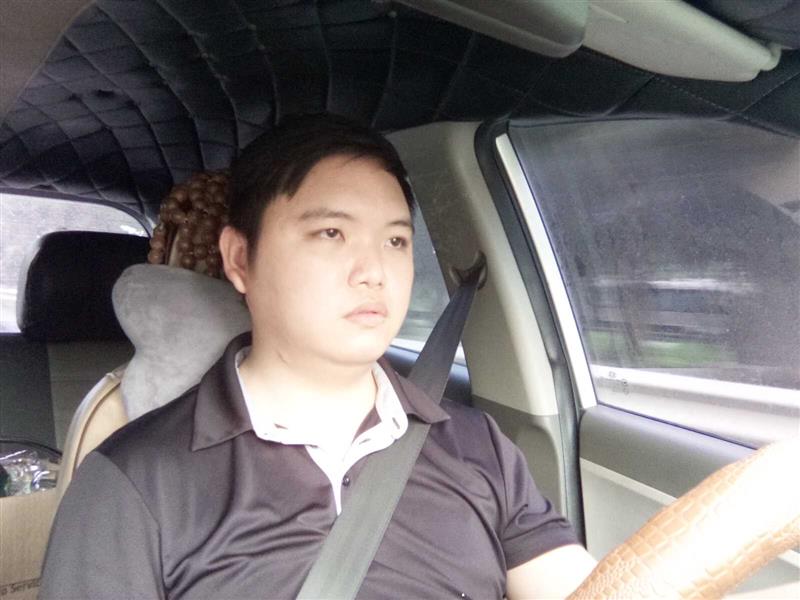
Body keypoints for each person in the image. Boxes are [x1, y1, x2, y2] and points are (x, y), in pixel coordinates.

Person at [39, 113, 596, 599]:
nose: (373, 272)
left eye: (396, 241)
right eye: (331, 233)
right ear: (240, 259)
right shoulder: (132, 481)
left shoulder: (479, 448)